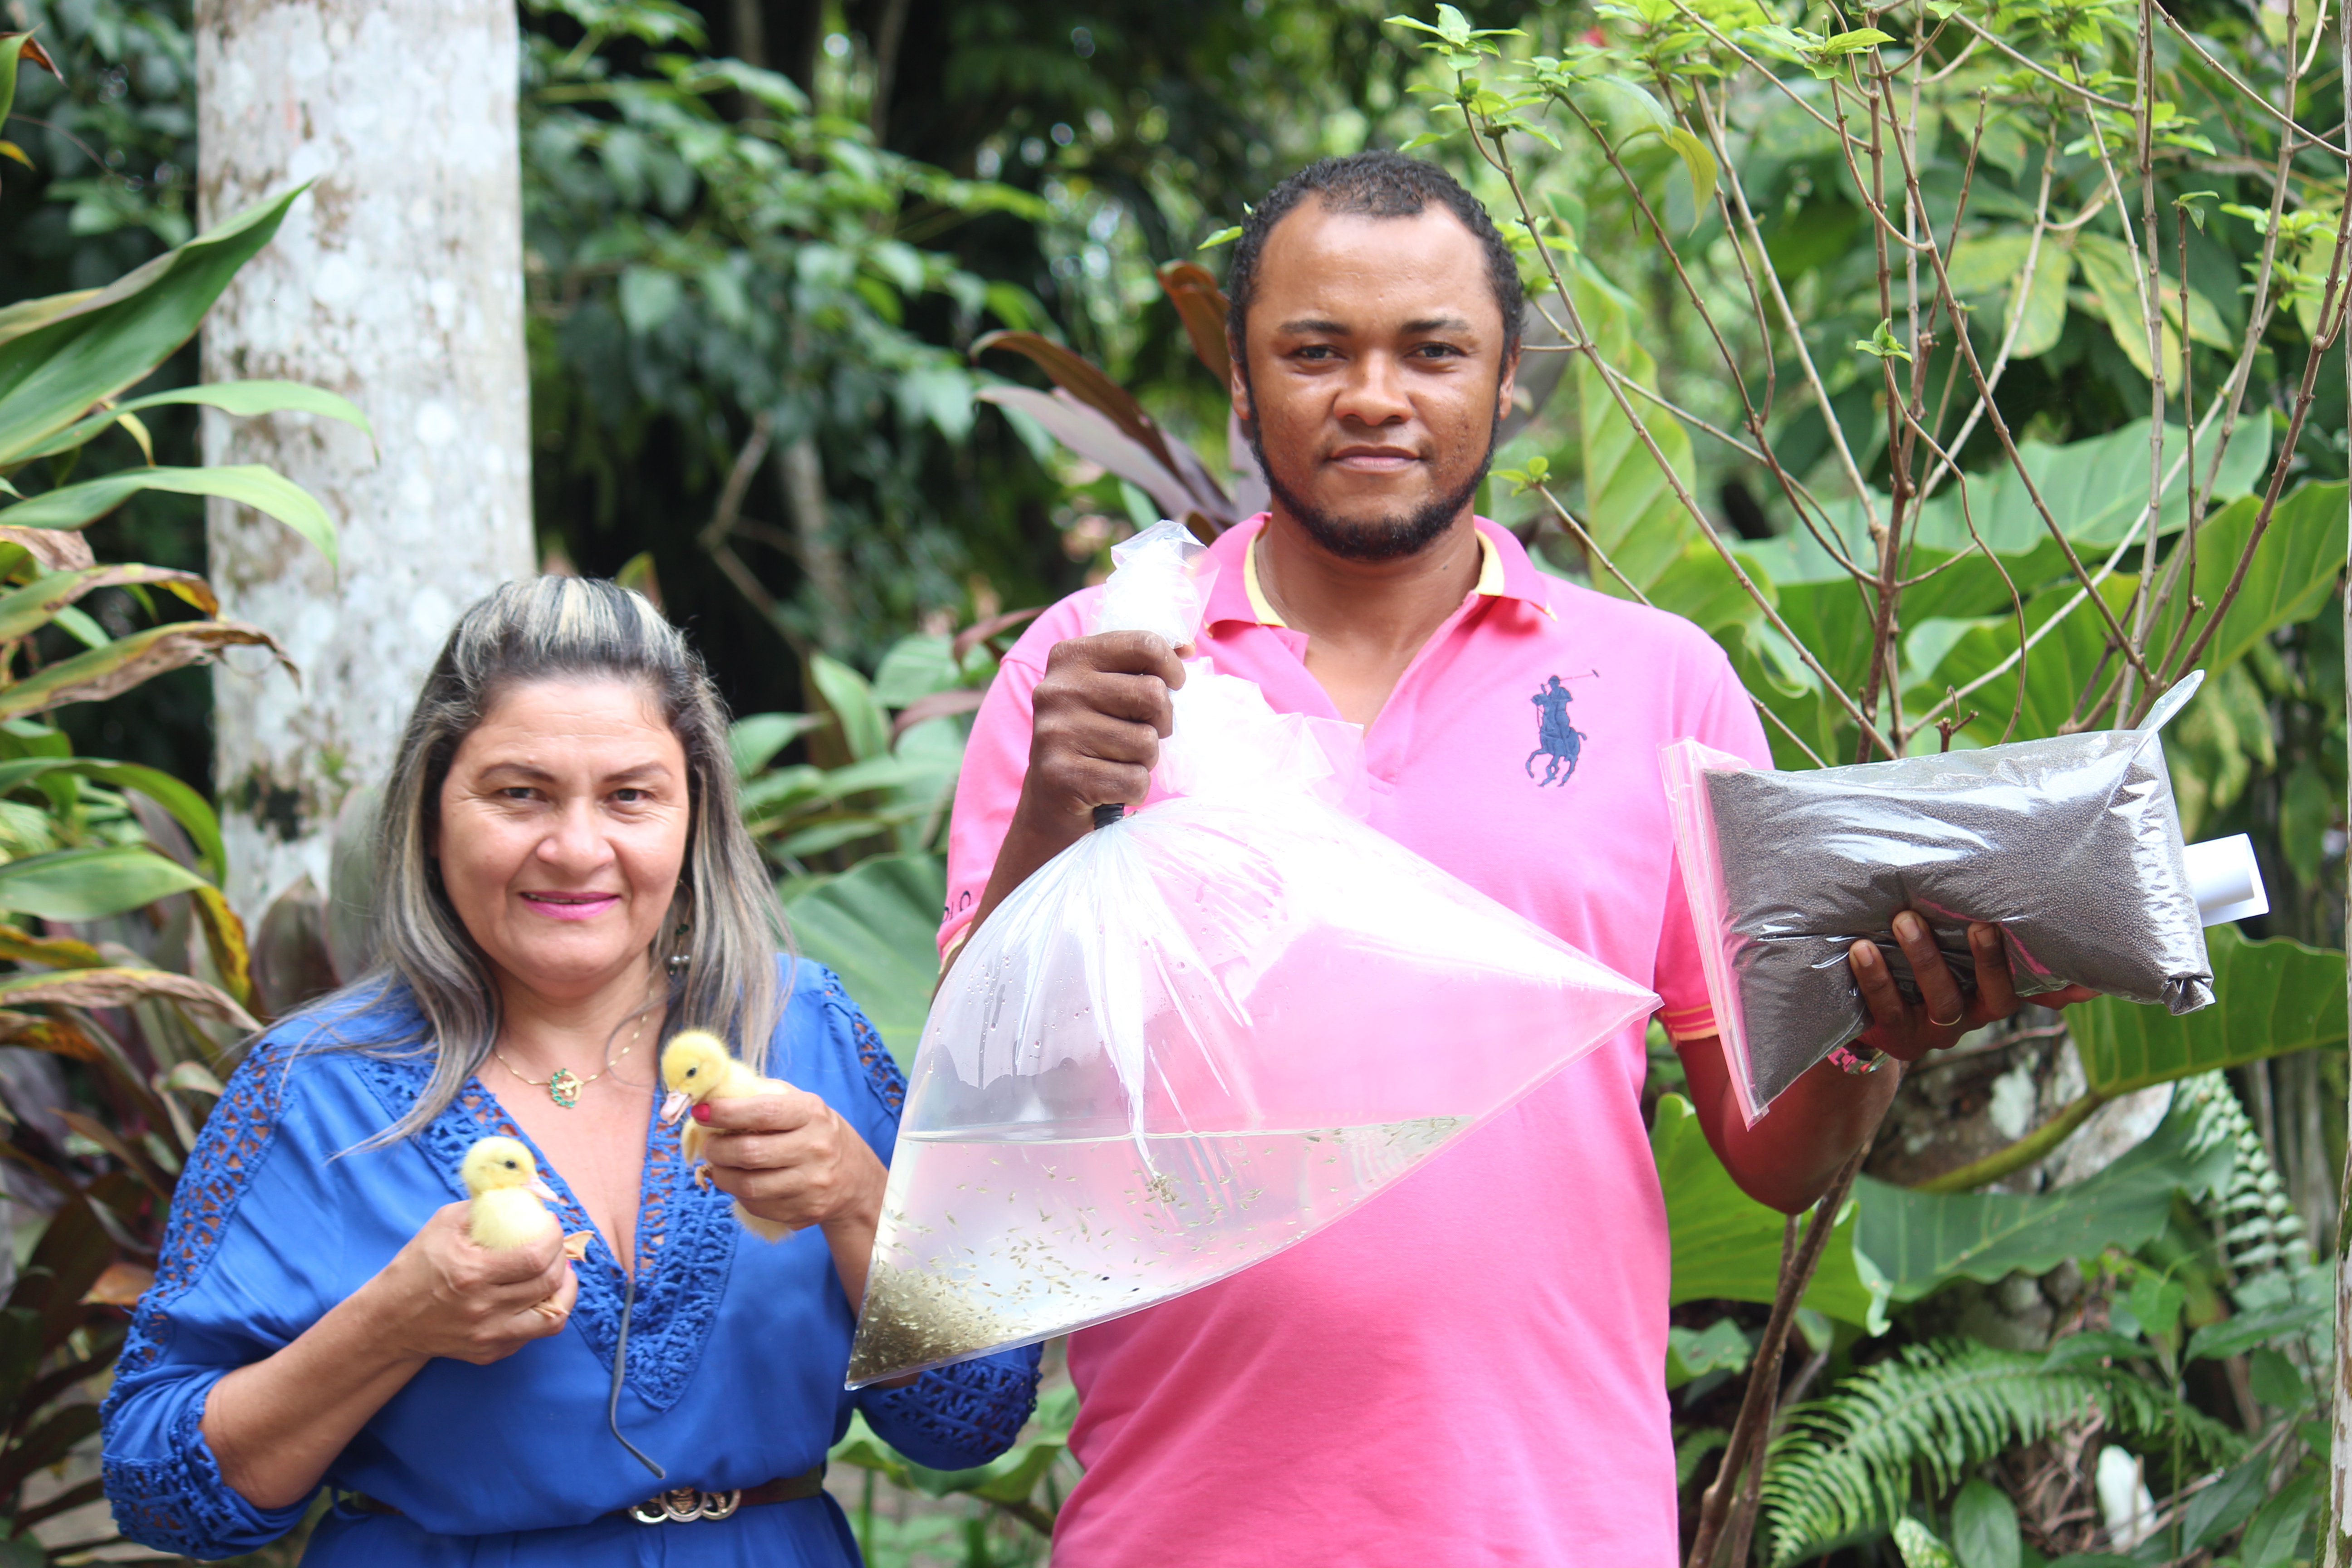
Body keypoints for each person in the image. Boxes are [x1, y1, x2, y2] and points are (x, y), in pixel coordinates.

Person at [937, 151, 2092, 1564]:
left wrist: (1876, 1032)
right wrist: (1061, 807)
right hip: (1181, 1529)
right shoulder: (1097, 671)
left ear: (1505, 378)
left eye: (1433, 351)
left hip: (1549, 1530)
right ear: (1241, 382)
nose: (1374, 396)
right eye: (1315, 351)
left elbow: (1776, 1157)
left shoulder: (1660, 686)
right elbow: (983, 1130)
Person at [102, 577, 1039, 1566]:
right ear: (429, 811)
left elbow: (974, 1417)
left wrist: (859, 1198)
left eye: (631, 795)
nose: (577, 848)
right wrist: (392, 1323)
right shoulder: (315, 1084)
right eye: (519, 794)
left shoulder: (801, 1024)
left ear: (695, 813)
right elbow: (161, 1494)